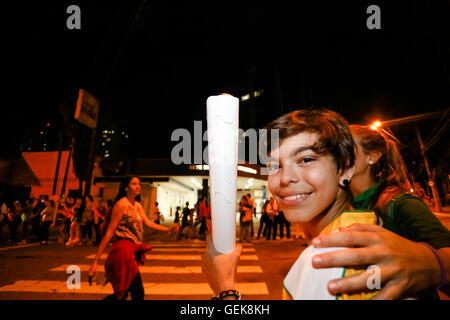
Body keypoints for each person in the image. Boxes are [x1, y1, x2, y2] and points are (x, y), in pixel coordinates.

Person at [203, 108, 382, 300]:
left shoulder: (327, 259)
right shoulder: (373, 228)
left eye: (306, 159)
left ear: (345, 167)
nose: (285, 178)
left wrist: (225, 288)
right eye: (274, 166)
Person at [310, 124, 450, 299]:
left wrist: (432, 264)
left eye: (346, 148)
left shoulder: (400, 204)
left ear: (372, 157)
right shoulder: (341, 209)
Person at [88, 176, 179, 300]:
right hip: (122, 252)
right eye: (134, 184)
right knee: (136, 294)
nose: (138, 186)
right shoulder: (121, 205)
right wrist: (95, 261)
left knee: (123, 294)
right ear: (126, 187)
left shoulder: (137, 205)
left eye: (139, 184)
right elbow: (109, 233)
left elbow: (148, 223)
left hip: (130, 251)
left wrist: (168, 229)